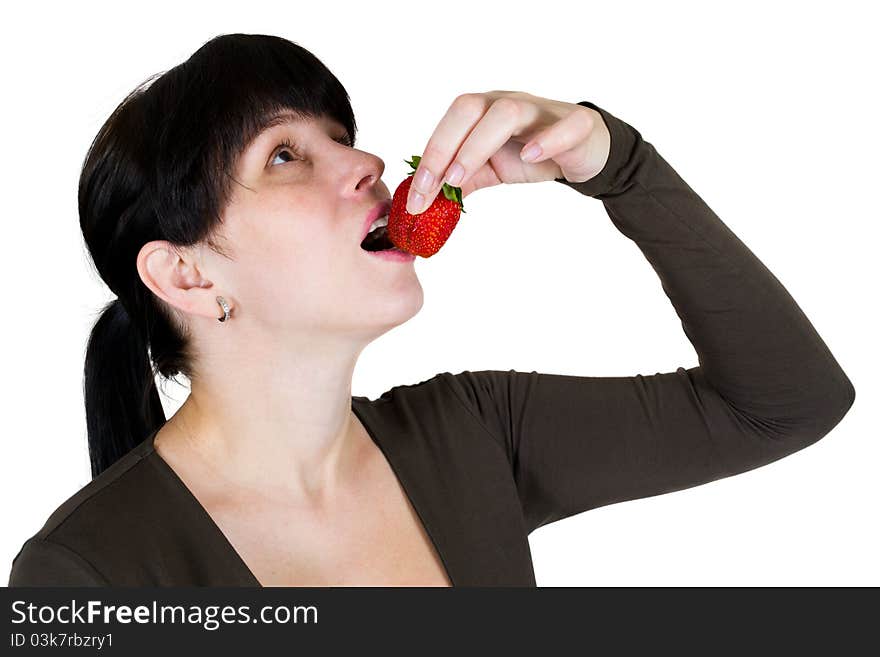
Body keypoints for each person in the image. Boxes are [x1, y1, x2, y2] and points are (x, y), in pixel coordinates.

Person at [7, 33, 855, 587]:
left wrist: (612, 162)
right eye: (287, 155)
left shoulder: (473, 432)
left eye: (342, 135)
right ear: (187, 276)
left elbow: (783, 402)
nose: (368, 160)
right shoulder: (83, 574)